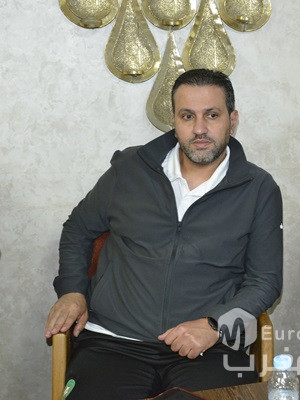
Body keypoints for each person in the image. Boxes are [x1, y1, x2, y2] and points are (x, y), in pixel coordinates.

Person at [44, 69, 283, 398]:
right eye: (188, 116)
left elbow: (265, 281)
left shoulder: (259, 189)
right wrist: (73, 289)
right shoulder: (130, 169)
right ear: (174, 120)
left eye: (212, 115)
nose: (199, 129)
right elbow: (78, 228)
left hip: (209, 348)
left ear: (232, 120)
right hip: (113, 344)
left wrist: (216, 325)